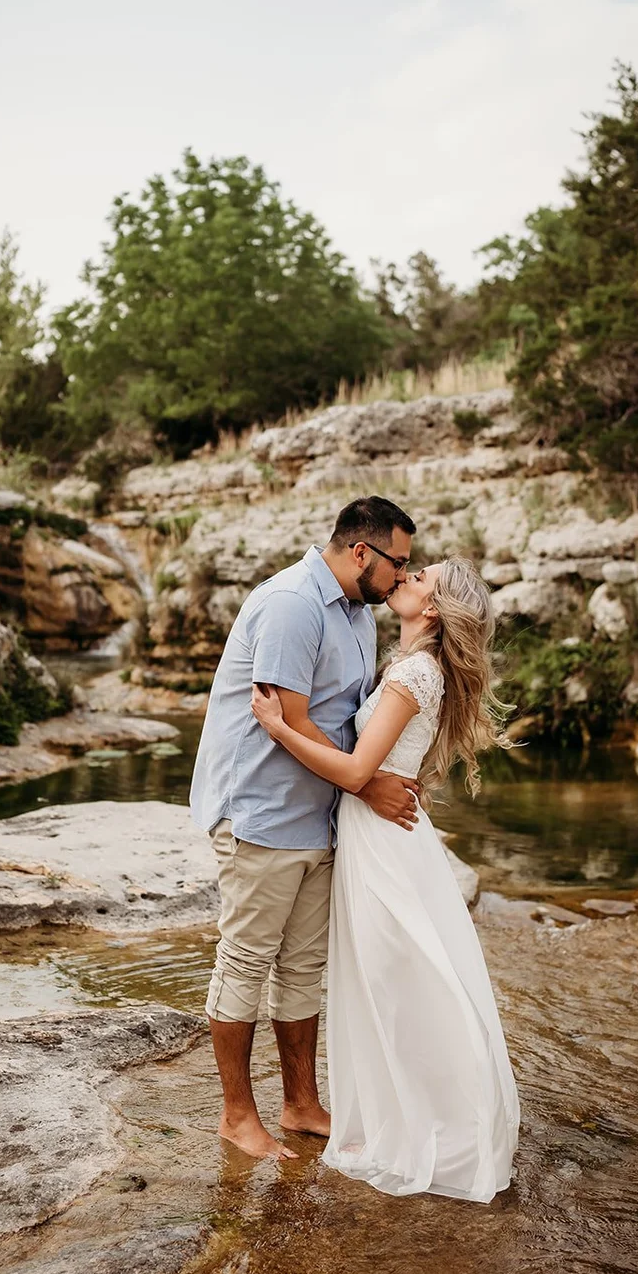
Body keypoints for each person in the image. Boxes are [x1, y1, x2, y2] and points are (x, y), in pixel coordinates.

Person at [250, 555, 520, 1202]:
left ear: (430, 609)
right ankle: (410, 1114)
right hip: (383, 838)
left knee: (396, 982)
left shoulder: (415, 674)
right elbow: (390, 768)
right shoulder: (411, 669)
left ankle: (423, 1124)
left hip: (383, 846)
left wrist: (278, 728)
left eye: (420, 575)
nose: (407, 575)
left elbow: (354, 771)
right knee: (396, 979)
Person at [189, 496, 420, 1161]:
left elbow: (348, 716)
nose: (402, 576)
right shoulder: (291, 603)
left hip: (318, 816)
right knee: (244, 964)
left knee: (301, 968)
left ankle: (300, 1103)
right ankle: (237, 1117)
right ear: (360, 552)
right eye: (396, 563)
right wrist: (365, 782)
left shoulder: (356, 612)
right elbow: (289, 720)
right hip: (262, 813)